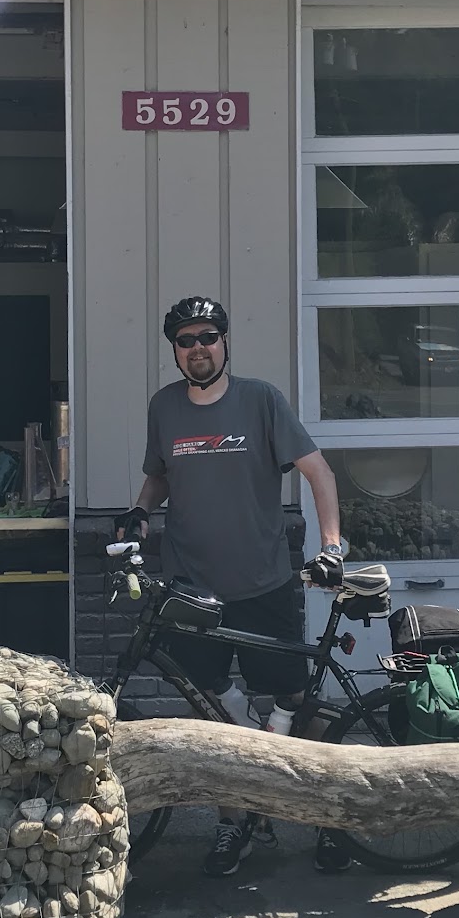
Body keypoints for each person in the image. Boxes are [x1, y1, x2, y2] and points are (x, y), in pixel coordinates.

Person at [119, 294, 349, 878]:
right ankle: (237, 822)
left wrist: (331, 548)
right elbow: (159, 476)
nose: (197, 348)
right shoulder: (164, 407)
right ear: (175, 351)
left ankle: (333, 819)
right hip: (191, 590)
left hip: (262, 584)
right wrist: (139, 510)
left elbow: (320, 474)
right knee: (212, 714)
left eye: (207, 337)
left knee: (298, 703)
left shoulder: (261, 400)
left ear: (225, 342)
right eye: (185, 341)